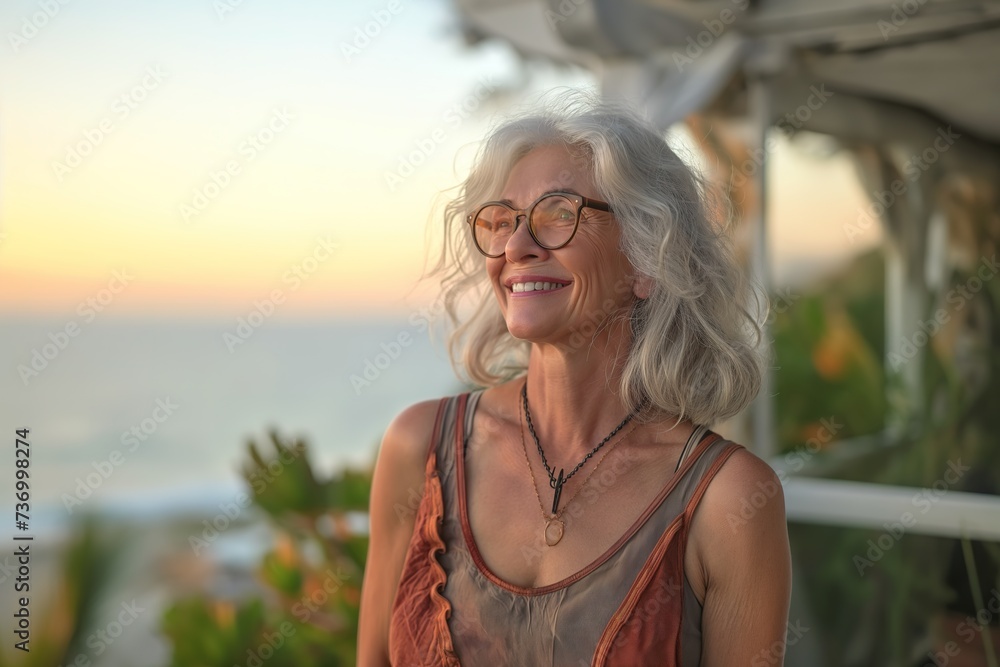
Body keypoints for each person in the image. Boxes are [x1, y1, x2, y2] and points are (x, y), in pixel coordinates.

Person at [358, 92, 792, 666]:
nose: (515, 246)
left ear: (646, 261)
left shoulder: (728, 501)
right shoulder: (419, 448)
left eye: (558, 214)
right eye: (501, 221)